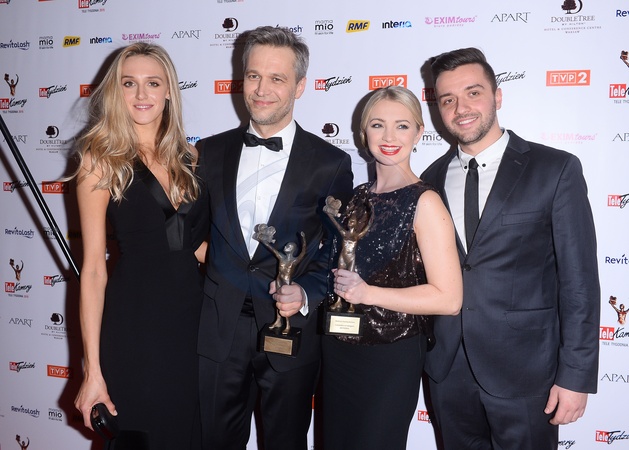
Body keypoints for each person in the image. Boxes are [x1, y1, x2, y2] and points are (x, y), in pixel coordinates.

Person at [421, 47, 600, 449]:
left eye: (473, 93)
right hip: (448, 371)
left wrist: (575, 375)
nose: (460, 108)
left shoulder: (554, 169)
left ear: (497, 96)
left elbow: (579, 282)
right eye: (447, 99)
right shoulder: (428, 180)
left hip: (527, 372)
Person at [195, 26, 353, 450]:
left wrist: (306, 293)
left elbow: (337, 252)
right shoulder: (208, 152)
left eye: (277, 78)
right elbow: (189, 229)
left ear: (299, 86)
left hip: (292, 330)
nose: (261, 90)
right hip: (218, 328)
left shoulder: (331, 163)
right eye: (253, 76)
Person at [73, 42, 209, 449]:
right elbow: (93, 269)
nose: (141, 94)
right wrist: (92, 370)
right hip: (135, 324)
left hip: (193, 323)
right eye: (128, 83)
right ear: (116, 91)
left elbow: (196, 246)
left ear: (169, 91)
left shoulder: (191, 157)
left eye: (153, 83)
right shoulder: (99, 160)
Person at [321, 86, 463, 450]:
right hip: (339, 349)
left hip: (390, 354)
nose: (388, 137)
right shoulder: (357, 197)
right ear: (363, 132)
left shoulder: (425, 201)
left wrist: (368, 293)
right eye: (377, 125)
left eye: (402, 126)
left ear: (418, 133)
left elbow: (449, 299)